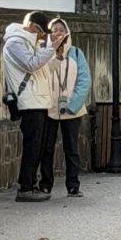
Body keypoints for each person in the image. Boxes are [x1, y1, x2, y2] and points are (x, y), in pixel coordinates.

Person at [3, 11, 57, 202]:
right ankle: (25, 187)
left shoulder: (33, 43)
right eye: (41, 32)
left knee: (39, 147)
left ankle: (31, 185)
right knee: (32, 146)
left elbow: (44, 69)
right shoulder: (15, 42)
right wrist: (52, 47)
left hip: (39, 100)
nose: (42, 36)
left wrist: (53, 52)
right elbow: (31, 65)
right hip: (29, 101)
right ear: (32, 26)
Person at [45, 18, 92, 198]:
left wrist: (73, 105)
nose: (57, 32)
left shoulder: (76, 53)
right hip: (49, 109)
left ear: (67, 32)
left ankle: (73, 185)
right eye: (54, 29)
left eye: (61, 29)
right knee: (47, 149)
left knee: (71, 148)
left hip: (72, 110)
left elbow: (84, 80)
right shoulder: (44, 53)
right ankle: (45, 185)